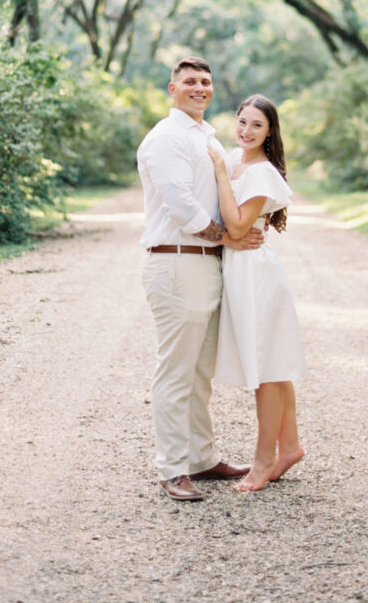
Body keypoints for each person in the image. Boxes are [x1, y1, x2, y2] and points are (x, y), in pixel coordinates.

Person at [137, 56, 262, 501]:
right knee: (175, 371)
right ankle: (172, 469)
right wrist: (229, 237)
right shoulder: (167, 137)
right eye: (189, 81)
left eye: (205, 82)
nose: (199, 87)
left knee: (200, 372)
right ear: (172, 89)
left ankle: (202, 458)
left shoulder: (206, 135)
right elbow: (182, 207)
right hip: (175, 261)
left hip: (206, 263)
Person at [208, 94, 305, 492]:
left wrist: (219, 175)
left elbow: (235, 226)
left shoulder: (261, 172)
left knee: (266, 371)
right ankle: (290, 447)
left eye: (256, 126)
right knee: (273, 365)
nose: (246, 131)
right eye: (242, 121)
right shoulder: (237, 160)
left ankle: (263, 462)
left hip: (256, 276)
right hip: (242, 271)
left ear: (270, 132)